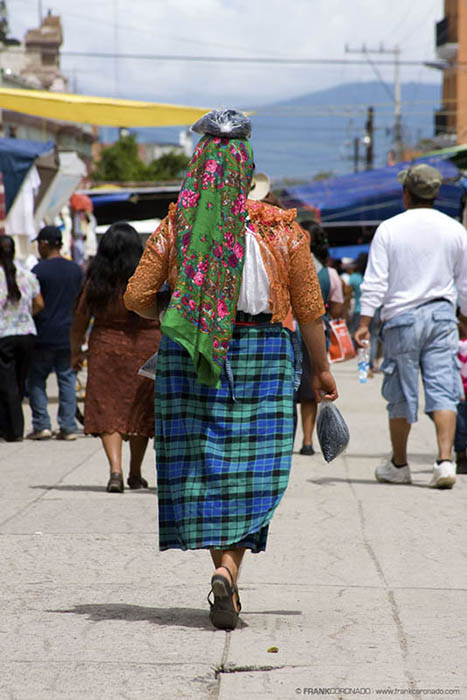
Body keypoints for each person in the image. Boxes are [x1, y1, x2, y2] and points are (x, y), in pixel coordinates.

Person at [124, 109, 338, 631]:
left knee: (206, 470)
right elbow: (309, 310)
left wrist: (181, 318)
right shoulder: (283, 231)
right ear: (248, 173)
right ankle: (228, 572)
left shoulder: (177, 224)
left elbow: (135, 298)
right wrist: (323, 370)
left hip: (190, 359)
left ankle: (223, 571)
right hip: (263, 353)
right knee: (253, 472)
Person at [355, 164, 467, 489]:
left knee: (400, 393)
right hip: (442, 316)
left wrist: (363, 322)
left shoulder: (390, 229)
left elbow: (375, 282)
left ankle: (400, 464)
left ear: (406, 194)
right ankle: (444, 461)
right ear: (435, 194)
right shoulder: (455, 230)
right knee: (444, 387)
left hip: (401, 320)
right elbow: (464, 284)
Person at [70, 223, 161, 493]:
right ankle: (135, 472)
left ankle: (115, 471)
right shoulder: (147, 280)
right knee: (140, 408)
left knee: (110, 409)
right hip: (146, 348)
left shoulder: (95, 281)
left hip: (105, 350)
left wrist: (75, 350)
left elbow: (79, 320)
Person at [28, 225, 82, 440]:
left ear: (44, 244)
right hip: (69, 333)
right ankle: (68, 426)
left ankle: (42, 425)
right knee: (67, 379)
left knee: (37, 379)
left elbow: (35, 303)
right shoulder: (76, 270)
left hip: (43, 334)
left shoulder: (38, 272)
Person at [296, 221, 344, 455]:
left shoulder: (289, 263)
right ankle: (307, 441)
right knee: (309, 389)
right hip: (316, 332)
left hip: (288, 329)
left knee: (288, 391)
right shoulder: (330, 273)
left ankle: (286, 440)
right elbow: (336, 310)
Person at [0, 236, 44, 441]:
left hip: (4, 335)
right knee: (19, 381)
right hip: (27, 333)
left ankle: (13, 429)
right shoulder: (26, 275)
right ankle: (12, 426)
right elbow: (39, 304)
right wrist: (25, 317)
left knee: (7, 383)